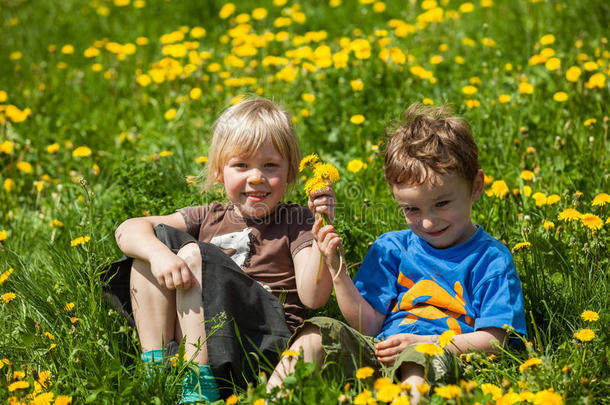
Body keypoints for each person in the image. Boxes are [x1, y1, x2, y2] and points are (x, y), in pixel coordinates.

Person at [268, 103, 527, 404]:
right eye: (411, 209)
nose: (428, 221)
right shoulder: (391, 248)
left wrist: (427, 343)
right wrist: (337, 269)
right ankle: (269, 399)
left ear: (476, 187)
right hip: (379, 350)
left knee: (415, 360)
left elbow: (496, 340)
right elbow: (370, 325)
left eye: (442, 204)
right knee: (317, 332)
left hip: (440, 354)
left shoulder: (490, 258)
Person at [103, 98, 335, 403]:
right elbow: (128, 228)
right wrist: (159, 255)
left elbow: (313, 297)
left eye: (270, 165)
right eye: (241, 165)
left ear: (291, 171)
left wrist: (321, 230)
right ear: (218, 172)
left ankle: (200, 387)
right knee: (152, 245)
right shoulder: (208, 216)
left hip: (261, 345)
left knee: (191, 253)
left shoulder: (296, 220)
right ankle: (158, 371)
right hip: (200, 342)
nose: (256, 177)